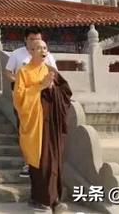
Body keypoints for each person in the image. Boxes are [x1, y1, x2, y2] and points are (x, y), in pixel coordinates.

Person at [13, 39, 71, 212]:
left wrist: (53, 88)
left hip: (51, 123)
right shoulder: (23, 72)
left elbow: (66, 93)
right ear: (30, 51)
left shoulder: (51, 71)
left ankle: (54, 200)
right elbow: (19, 99)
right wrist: (40, 86)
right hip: (35, 125)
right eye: (39, 48)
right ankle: (41, 199)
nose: (43, 50)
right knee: (41, 163)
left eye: (45, 47)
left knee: (54, 162)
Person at [4, 26, 57, 178]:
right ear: (26, 41)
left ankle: (44, 162)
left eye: (39, 41)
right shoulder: (17, 55)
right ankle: (29, 163)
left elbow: (55, 76)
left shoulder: (48, 57)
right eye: (32, 40)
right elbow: (8, 72)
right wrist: (23, 83)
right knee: (26, 131)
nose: (37, 45)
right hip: (25, 101)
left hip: (45, 103)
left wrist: (49, 84)